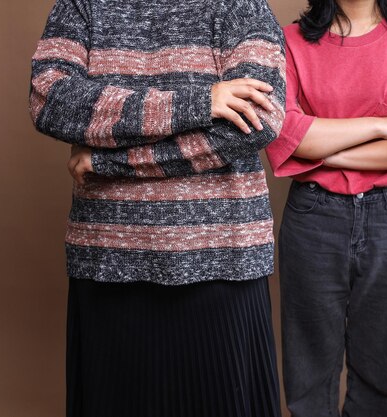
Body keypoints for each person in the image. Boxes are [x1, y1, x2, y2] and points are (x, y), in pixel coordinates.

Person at [29, 0, 285, 416]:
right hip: (110, 264)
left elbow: (257, 118)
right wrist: (201, 101)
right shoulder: (82, 6)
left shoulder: (241, 5)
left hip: (223, 264)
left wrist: (109, 161)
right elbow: (51, 100)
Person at [265, 0, 387, 415]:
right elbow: (284, 134)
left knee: (381, 372)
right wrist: (380, 126)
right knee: (308, 370)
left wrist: (320, 150)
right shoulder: (291, 42)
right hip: (315, 218)